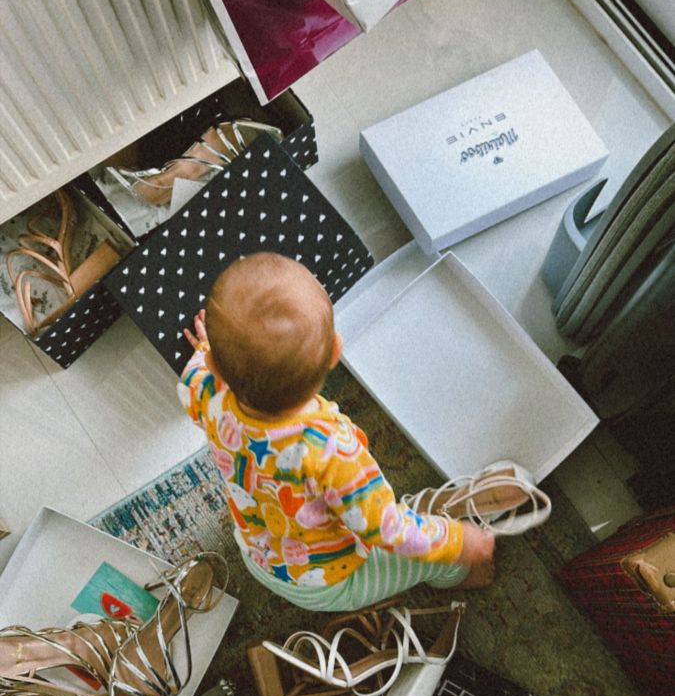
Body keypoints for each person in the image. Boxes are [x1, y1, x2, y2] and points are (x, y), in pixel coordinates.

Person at [178, 252, 495, 612]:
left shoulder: (204, 390)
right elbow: (387, 528)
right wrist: (457, 542)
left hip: (257, 551)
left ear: (214, 365)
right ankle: (457, 577)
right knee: (429, 556)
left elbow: (194, 373)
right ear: (335, 353)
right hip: (329, 582)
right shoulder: (331, 453)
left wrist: (208, 346)